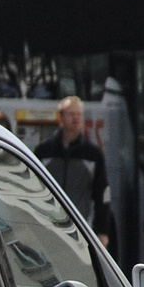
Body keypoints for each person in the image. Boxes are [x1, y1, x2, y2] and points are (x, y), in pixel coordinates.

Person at [34, 96, 113, 246]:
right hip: (48, 230)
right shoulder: (43, 152)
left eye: (79, 114)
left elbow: (103, 195)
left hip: (81, 231)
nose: (76, 118)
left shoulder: (93, 154)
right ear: (61, 117)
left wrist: (102, 232)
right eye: (71, 114)